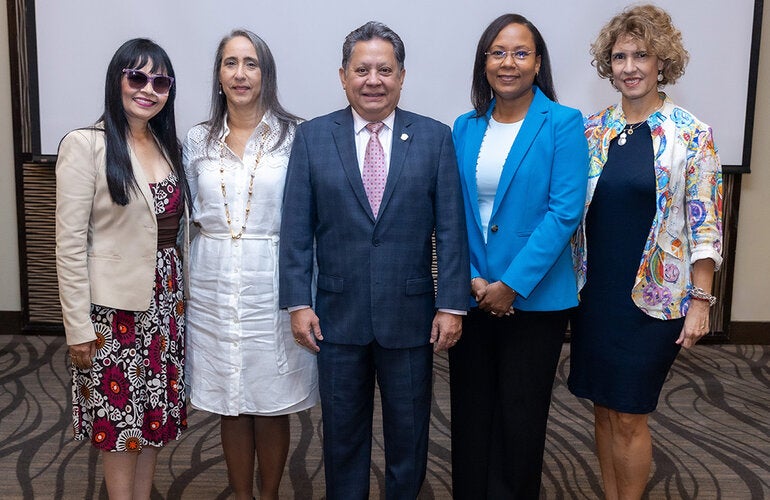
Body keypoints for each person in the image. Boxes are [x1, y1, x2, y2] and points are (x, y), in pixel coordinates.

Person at [279, 20, 469, 499]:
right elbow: (297, 229)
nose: (373, 80)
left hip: (410, 317)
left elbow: (450, 229)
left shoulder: (434, 138)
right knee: (342, 437)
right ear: (343, 76)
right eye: (362, 69)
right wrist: (297, 302)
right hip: (336, 317)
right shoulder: (313, 138)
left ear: (402, 76)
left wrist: (451, 304)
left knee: (409, 436)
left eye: (385, 69)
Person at [569, 5, 723, 499]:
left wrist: (701, 301)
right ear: (607, 65)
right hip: (595, 294)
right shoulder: (592, 132)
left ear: (662, 62)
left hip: (656, 298)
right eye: (620, 56)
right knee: (603, 406)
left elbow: (706, 223)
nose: (630, 66)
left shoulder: (691, 133)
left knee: (631, 411)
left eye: (642, 55)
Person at [448, 14, 589, 499]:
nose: (509, 63)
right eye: (498, 52)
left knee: (520, 419)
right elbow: (452, 214)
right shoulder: (464, 128)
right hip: (471, 295)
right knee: (469, 415)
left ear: (538, 62)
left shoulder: (564, 123)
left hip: (534, 300)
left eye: (521, 53)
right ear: (484, 62)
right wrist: (468, 277)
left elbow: (564, 211)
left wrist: (511, 284)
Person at [182, 29, 318, 500]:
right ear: (218, 75)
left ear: (266, 73)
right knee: (230, 399)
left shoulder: (296, 135)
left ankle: (271, 493)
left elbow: (309, 216)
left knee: (269, 399)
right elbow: (183, 219)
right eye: (230, 63)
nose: (240, 73)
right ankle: (242, 495)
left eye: (251, 63)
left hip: (274, 280)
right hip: (212, 280)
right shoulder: (197, 139)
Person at [55, 38, 188, 499]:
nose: (148, 89)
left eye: (160, 81)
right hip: (113, 314)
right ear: (117, 80)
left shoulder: (167, 143)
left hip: (166, 304)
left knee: (153, 418)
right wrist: (77, 327)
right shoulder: (85, 145)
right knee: (120, 423)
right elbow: (70, 244)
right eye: (137, 77)